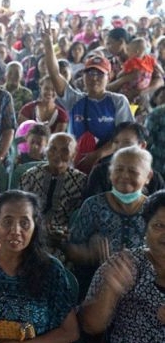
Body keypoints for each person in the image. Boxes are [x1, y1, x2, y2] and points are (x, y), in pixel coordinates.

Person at [0, 190, 80, 343]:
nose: (16, 231)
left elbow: (70, 332)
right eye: (7, 222)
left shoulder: (50, 268)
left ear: (34, 226)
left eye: (24, 223)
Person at [41, 20, 133, 174]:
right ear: (82, 77)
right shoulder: (75, 100)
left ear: (109, 76)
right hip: (74, 166)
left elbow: (125, 139)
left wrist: (97, 155)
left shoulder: (118, 101)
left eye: (99, 74)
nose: (94, 78)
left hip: (108, 168)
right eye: (90, 73)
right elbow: (54, 73)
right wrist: (49, 45)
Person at [79, 190, 165, 342]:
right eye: (159, 226)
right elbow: (89, 326)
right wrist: (110, 291)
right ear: (145, 229)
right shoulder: (123, 263)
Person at [68, 146, 152, 300]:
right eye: (118, 169)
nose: (125, 176)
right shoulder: (93, 205)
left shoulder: (156, 211)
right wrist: (89, 255)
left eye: (133, 171)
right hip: (94, 288)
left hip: (143, 292)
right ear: (110, 173)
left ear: (148, 176)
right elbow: (71, 249)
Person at [20, 133, 87, 259]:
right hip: (30, 231)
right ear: (46, 150)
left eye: (65, 150)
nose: (57, 154)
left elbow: (80, 217)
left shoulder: (81, 181)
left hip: (61, 238)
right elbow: (20, 207)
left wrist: (66, 232)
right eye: (53, 148)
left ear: (73, 155)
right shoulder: (30, 176)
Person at [83, 122, 165, 199]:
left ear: (142, 145)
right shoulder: (100, 172)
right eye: (116, 142)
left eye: (127, 143)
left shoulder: (154, 178)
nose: (119, 147)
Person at [107, 37, 164, 102]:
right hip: (142, 84)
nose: (127, 52)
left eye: (128, 50)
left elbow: (123, 72)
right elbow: (158, 67)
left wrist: (119, 76)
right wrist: (123, 79)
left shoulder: (131, 61)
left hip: (135, 89)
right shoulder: (150, 59)